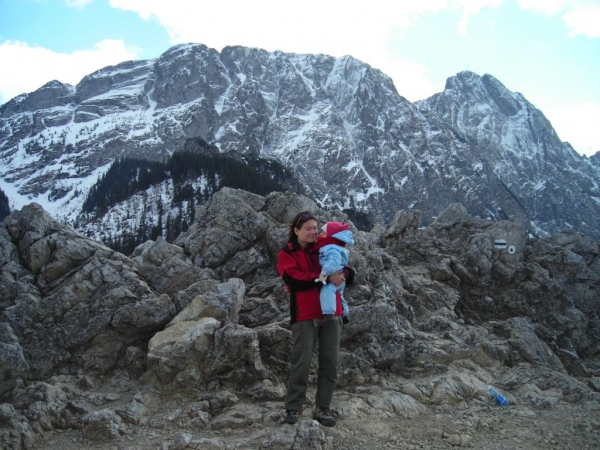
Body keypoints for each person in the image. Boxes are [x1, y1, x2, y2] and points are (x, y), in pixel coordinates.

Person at [277, 212, 355, 427]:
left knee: (330, 363)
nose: (313, 232)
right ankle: (293, 408)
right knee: (301, 363)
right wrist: (324, 279)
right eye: (308, 228)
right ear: (296, 231)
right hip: (304, 314)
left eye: (315, 228)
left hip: (332, 313)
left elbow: (347, 267)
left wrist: (345, 274)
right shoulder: (287, 253)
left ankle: (322, 408)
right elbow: (294, 280)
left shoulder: (324, 245)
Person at [315, 221, 354, 325]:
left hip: (335, 275)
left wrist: (325, 273)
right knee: (339, 295)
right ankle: (345, 314)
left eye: (323, 232)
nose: (319, 234)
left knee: (326, 290)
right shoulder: (336, 246)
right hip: (341, 277)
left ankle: (328, 314)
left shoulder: (330, 247)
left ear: (331, 236)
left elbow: (334, 261)